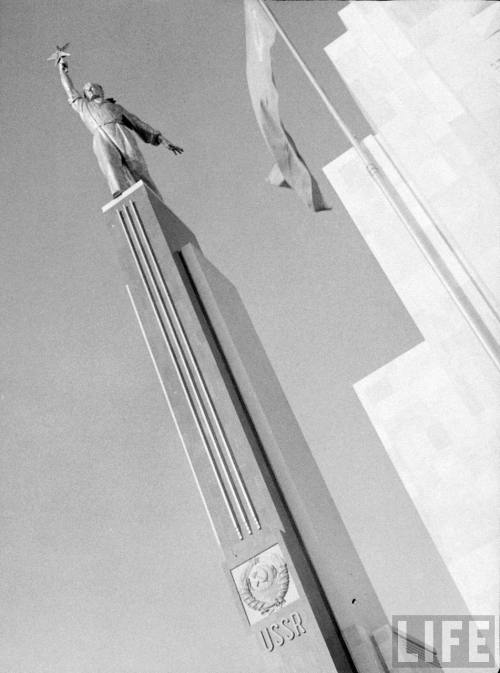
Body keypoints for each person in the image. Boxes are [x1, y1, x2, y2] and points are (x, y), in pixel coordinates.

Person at [58, 59, 183, 199]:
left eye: (93, 87)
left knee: (137, 165)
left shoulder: (116, 108)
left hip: (120, 132)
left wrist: (162, 140)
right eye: (87, 89)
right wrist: (62, 70)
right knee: (109, 163)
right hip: (101, 135)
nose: (90, 89)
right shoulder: (84, 106)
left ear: (101, 90)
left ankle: (154, 196)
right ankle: (120, 194)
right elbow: (69, 90)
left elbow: (137, 122)